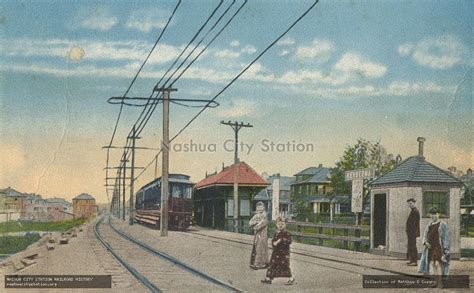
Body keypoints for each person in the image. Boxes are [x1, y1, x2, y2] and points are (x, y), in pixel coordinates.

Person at [261, 217, 295, 285]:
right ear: (276, 225)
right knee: (272, 265)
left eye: (282, 224)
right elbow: (273, 240)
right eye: (279, 224)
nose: (280, 226)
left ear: (285, 225)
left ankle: (291, 278)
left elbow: (289, 241)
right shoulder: (276, 233)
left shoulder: (286, 233)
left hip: (284, 253)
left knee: (285, 265)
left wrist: (281, 240)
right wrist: (273, 243)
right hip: (276, 253)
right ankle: (268, 278)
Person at [419, 207, 451, 277]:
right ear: (430, 215)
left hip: (438, 247)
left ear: (438, 214)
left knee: (437, 263)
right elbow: (425, 235)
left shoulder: (442, 224)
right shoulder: (429, 225)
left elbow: (446, 237)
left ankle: (440, 282)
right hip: (430, 247)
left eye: (435, 214)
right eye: (432, 214)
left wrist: (446, 248)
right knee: (432, 264)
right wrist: (425, 242)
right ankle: (435, 281)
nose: (434, 216)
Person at [248, 201, 269, 269]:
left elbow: (262, 224)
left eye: (261, 207)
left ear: (264, 208)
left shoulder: (264, 215)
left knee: (261, 248)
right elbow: (250, 223)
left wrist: (255, 226)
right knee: (257, 248)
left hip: (263, 234)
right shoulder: (256, 215)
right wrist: (255, 222)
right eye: (258, 207)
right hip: (257, 235)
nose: (259, 209)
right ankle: (262, 262)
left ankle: (259, 264)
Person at [406, 198, 420, 266]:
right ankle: (412, 260)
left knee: (413, 246)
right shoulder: (413, 211)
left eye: (411, 203)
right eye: (409, 204)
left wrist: (411, 232)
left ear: (414, 203)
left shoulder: (415, 211)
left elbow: (414, 224)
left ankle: (414, 261)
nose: (409, 205)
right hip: (410, 232)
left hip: (412, 232)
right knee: (410, 246)